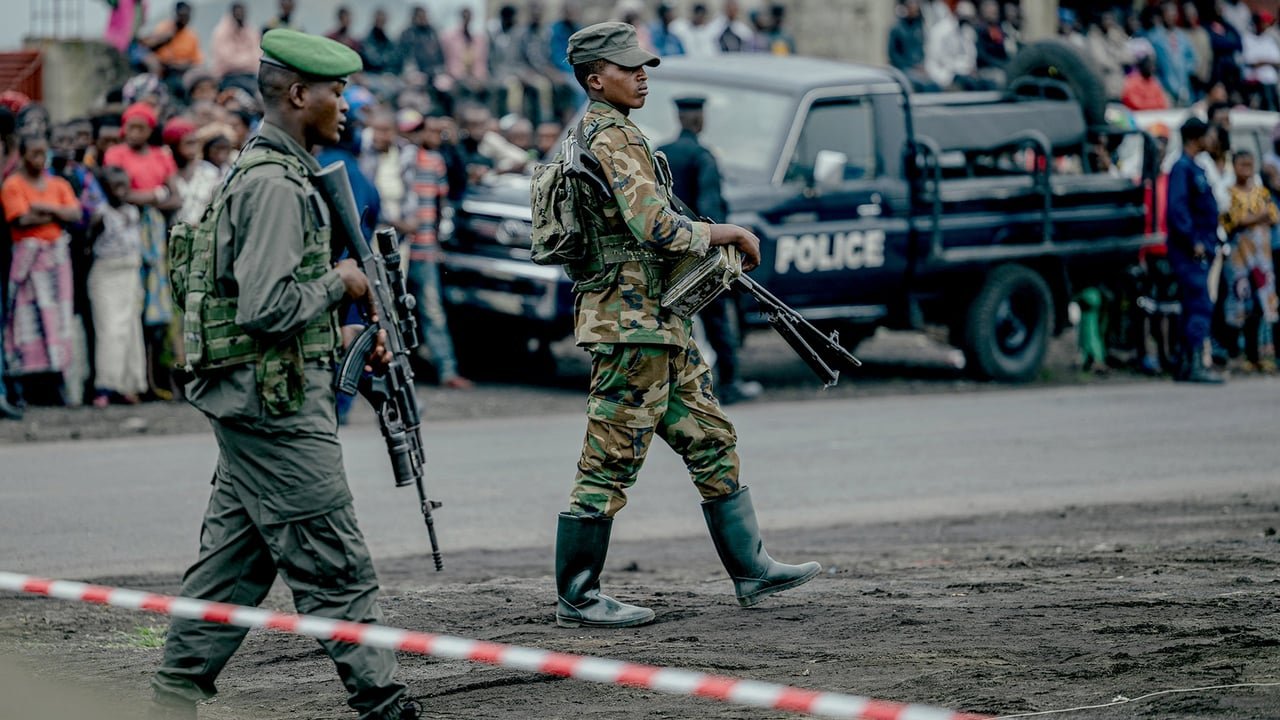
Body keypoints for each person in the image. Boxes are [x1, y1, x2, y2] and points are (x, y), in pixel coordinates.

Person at [149, 28, 421, 720]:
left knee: (233, 565)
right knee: (335, 564)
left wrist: (346, 328)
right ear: (299, 94)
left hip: (262, 394)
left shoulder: (274, 171)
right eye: (337, 92)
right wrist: (343, 282)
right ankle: (385, 704)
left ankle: (173, 695)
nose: (347, 106)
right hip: (276, 408)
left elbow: (267, 306)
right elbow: (267, 308)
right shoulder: (275, 185)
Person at [549, 22, 820, 629]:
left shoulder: (612, 132)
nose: (642, 75)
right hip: (631, 327)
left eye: (643, 65)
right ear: (595, 79)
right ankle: (578, 595)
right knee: (611, 456)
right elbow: (655, 226)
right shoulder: (611, 135)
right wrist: (727, 233)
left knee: (709, 437)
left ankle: (751, 568)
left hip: (656, 319)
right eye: (627, 67)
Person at [658, 96, 760, 404]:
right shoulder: (703, 157)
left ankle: (671, 385)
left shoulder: (661, 153)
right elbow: (710, 207)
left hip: (666, 250)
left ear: (678, 119)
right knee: (717, 319)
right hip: (700, 251)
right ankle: (729, 382)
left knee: (670, 318)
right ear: (699, 120)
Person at [3, 132, 83, 407]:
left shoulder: (58, 183)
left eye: (43, 153)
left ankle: (56, 382)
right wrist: (56, 213)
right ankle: (28, 385)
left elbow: (75, 213)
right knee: (27, 319)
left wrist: (41, 207)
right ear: (23, 155)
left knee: (58, 318)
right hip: (28, 261)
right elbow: (21, 219)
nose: (40, 159)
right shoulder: (13, 184)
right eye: (34, 153)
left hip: (56, 261)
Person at [403, 112, 474, 390]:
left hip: (425, 249)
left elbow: (443, 202)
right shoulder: (400, 158)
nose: (433, 136)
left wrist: (436, 242)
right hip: (399, 249)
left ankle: (447, 370)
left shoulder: (436, 162)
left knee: (432, 311)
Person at [1167, 118, 1225, 383]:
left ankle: (1186, 364)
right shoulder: (1182, 168)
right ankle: (1194, 366)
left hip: (1203, 247)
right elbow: (1177, 209)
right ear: (1195, 138)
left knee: (1193, 306)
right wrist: (1193, 240)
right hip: (1190, 252)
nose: (1211, 141)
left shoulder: (1197, 167)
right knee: (1199, 305)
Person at [87, 165, 147, 406]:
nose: (121, 192)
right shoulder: (101, 215)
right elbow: (89, 243)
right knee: (109, 329)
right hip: (107, 274)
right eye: (116, 187)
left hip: (130, 272)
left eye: (125, 186)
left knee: (131, 328)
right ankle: (106, 384)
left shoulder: (132, 211)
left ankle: (129, 384)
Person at [1219, 150, 1279, 372]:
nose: (1246, 169)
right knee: (1240, 302)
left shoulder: (1261, 191)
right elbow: (1232, 220)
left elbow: (1273, 215)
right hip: (1239, 258)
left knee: (1263, 304)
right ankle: (1238, 353)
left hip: (1262, 258)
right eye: (1242, 165)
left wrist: (1249, 219)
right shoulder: (1228, 192)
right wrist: (1256, 217)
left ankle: (1260, 355)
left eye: (1249, 165)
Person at [210, 2, 262, 88]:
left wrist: (245, 60)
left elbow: (257, 55)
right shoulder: (221, 32)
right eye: (237, 14)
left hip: (250, 76)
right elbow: (227, 59)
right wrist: (247, 60)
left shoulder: (250, 30)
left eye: (242, 13)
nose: (240, 16)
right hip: (228, 77)